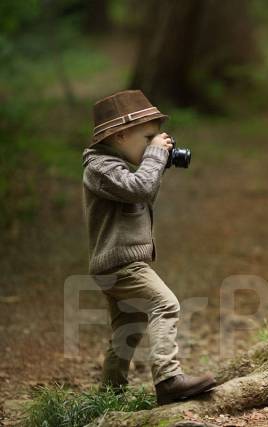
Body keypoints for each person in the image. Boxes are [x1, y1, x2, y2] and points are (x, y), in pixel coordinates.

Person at [81, 89, 215, 405]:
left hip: (115, 264)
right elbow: (140, 189)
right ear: (121, 134)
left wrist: (154, 159)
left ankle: (109, 396)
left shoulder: (117, 165)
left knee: (127, 329)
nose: (155, 142)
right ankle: (168, 380)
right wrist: (155, 156)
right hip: (120, 264)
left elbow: (142, 187)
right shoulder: (99, 168)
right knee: (165, 304)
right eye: (149, 137)